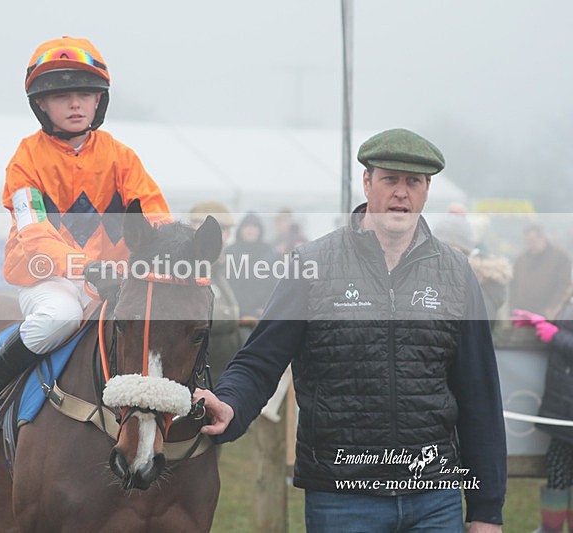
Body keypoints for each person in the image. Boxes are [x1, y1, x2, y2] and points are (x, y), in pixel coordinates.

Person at [194, 128, 507, 532]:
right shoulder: (312, 264)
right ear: (367, 182)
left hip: (434, 497)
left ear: (427, 189)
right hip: (342, 498)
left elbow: (479, 393)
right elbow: (260, 360)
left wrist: (486, 510)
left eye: (413, 181)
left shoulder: (456, 274)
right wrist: (231, 404)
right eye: (389, 179)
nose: (401, 193)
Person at [0, 36, 170, 446]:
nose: (75, 104)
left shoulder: (122, 158)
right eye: (62, 96)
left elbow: (155, 214)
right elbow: (34, 233)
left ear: (99, 102)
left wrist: (171, 248)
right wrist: (84, 267)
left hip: (114, 279)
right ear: (41, 105)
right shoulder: (25, 160)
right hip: (48, 278)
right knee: (61, 316)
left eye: (85, 94)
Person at [512, 294, 573, 533]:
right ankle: (551, 528)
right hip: (563, 407)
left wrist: (555, 335)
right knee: (558, 468)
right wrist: (541, 322)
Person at [187, 202, 242, 383]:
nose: (224, 237)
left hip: (221, 371)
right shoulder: (190, 269)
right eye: (219, 230)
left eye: (226, 230)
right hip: (199, 375)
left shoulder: (220, 268)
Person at [433, 210, 512, 326]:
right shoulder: (439, 278)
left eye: (448, 247)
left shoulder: (480, 287)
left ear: (463, 250)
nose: (442, 254)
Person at [224, 213, 278, 323]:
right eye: (247, 226)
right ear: (240, 230)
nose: (250, 230)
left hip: (262, 314)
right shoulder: (230, 253)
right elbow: (226, 285)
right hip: (235, 315)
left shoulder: (269, 253)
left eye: (254, 226)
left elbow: (276, 285)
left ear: (259, 230)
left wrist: (267, 308)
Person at [510, 224, 572, 316]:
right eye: (527, 241)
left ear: (542, 238)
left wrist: (553, 307)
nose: (530, 244)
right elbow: (513, 284)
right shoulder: (522, 259)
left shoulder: (559, 257)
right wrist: (512, 308)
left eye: (532, 241)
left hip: (548, 311)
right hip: (522, 311)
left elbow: (564, 284)